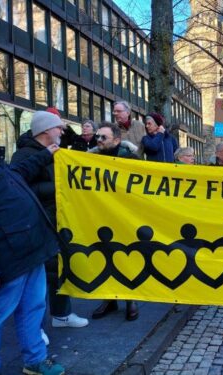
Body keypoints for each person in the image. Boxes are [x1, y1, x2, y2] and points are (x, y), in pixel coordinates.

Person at [11, 112, 89, 335]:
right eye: (59, 128)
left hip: (55, 220)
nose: (63, 132)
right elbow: (19, 189)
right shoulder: (24, 155)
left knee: (58, 269)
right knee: (37, 278)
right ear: (45, 131)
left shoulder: (56, 152)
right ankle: (35, 328)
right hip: (36, 224)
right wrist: (58, 191)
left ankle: (61, 315)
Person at [0, 144, 65, 375]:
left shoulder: (3, 168)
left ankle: (35, 360)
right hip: (8, 260)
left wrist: (47, 152)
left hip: (31, 251)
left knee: (33, 307)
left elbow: (23, 169)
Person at [88, 122, 139, 321]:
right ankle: (109, 299)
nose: (98, 140)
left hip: (125, 216)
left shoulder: (131, 158)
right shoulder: (90, 159)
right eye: (97, 137)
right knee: (104, 255)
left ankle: (130, 299)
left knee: (127, 256)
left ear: (117, 140)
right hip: (101, 215)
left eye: (103, 137)